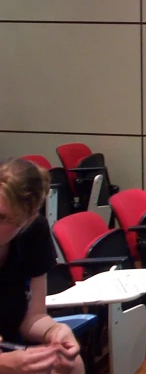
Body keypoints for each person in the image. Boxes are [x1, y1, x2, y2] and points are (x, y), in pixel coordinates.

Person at [0, 158, 84, 374]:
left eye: (2, 218)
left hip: (8, 347)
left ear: (26, 220)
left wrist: (54, 331)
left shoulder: (34, 232)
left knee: (72, 365)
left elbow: (34, 318)